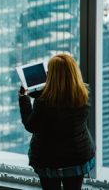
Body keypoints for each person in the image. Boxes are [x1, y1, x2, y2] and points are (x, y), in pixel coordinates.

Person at [18, 54, 95, 190]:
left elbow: (31, 126)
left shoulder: (43, 103)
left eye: (49, 71)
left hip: (49, 159)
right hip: (78, 156)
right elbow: (61, 102)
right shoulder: (84, 95)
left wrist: (23, 98)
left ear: (53, 76)